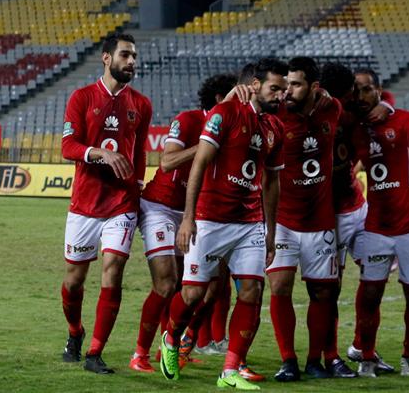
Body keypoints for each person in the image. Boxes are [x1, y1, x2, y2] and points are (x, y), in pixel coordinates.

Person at [160, 58, 287, 391]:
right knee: (193, 293)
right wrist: (188, 218)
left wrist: (270, 231)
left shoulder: (276, 127)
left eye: (284, 90)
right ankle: (171, 338)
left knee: (252, 290)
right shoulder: (223, 114)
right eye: (275, 88)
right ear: (254, 85)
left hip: (249, 223)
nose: (280, 96)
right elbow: (199, 164)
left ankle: (230, 369)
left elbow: (272, 182)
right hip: (209, 218)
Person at [128, 73, 235, 373]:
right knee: (165, 282)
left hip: (195, 213)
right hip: (160, 207)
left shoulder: (234, 126)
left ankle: (177, 346)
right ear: (219, 99)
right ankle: (140, 354)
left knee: (203, 288)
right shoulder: (188, 120)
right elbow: (166, 162)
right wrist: (205, 145)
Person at [59, 33, 152, 374]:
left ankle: (95, 354)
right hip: (85, 203)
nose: (132, 62)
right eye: (125, 55)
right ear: (106, 58)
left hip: (121, 203)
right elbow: (68, 147)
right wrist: (100, 153)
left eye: (134, 57)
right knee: (74, 280)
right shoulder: (82, 97)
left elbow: (140, 149)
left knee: (113, 270)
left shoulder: (140, 104)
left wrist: (138, 181)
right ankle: (75, 332)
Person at [263, 57, 347, 381]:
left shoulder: (331, 109)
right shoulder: (275, 113)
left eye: (296, 84)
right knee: (280, 286)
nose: (288, 91)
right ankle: (288, 360)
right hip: (283, 219)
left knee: (323, 293)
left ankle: (315, 360)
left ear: (314, 86)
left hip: (320, 221)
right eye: (286, 84)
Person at [351, 68, 409, 377]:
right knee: (370, 292)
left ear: (379, 90)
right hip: (376, 224)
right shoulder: (355, 126)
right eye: (356, 91)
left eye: (367, 90)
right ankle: (368, 355)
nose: (361, 96)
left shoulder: (406, 121)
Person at [319, 63, 395, 375]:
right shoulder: (312, 111)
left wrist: (387, 103)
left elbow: (379, 95)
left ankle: (364, 348)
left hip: (358, 207)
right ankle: (332, 355)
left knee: (376, 277)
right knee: (330, 289)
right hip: (325, 215)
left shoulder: (352, 105)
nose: (351, 97)